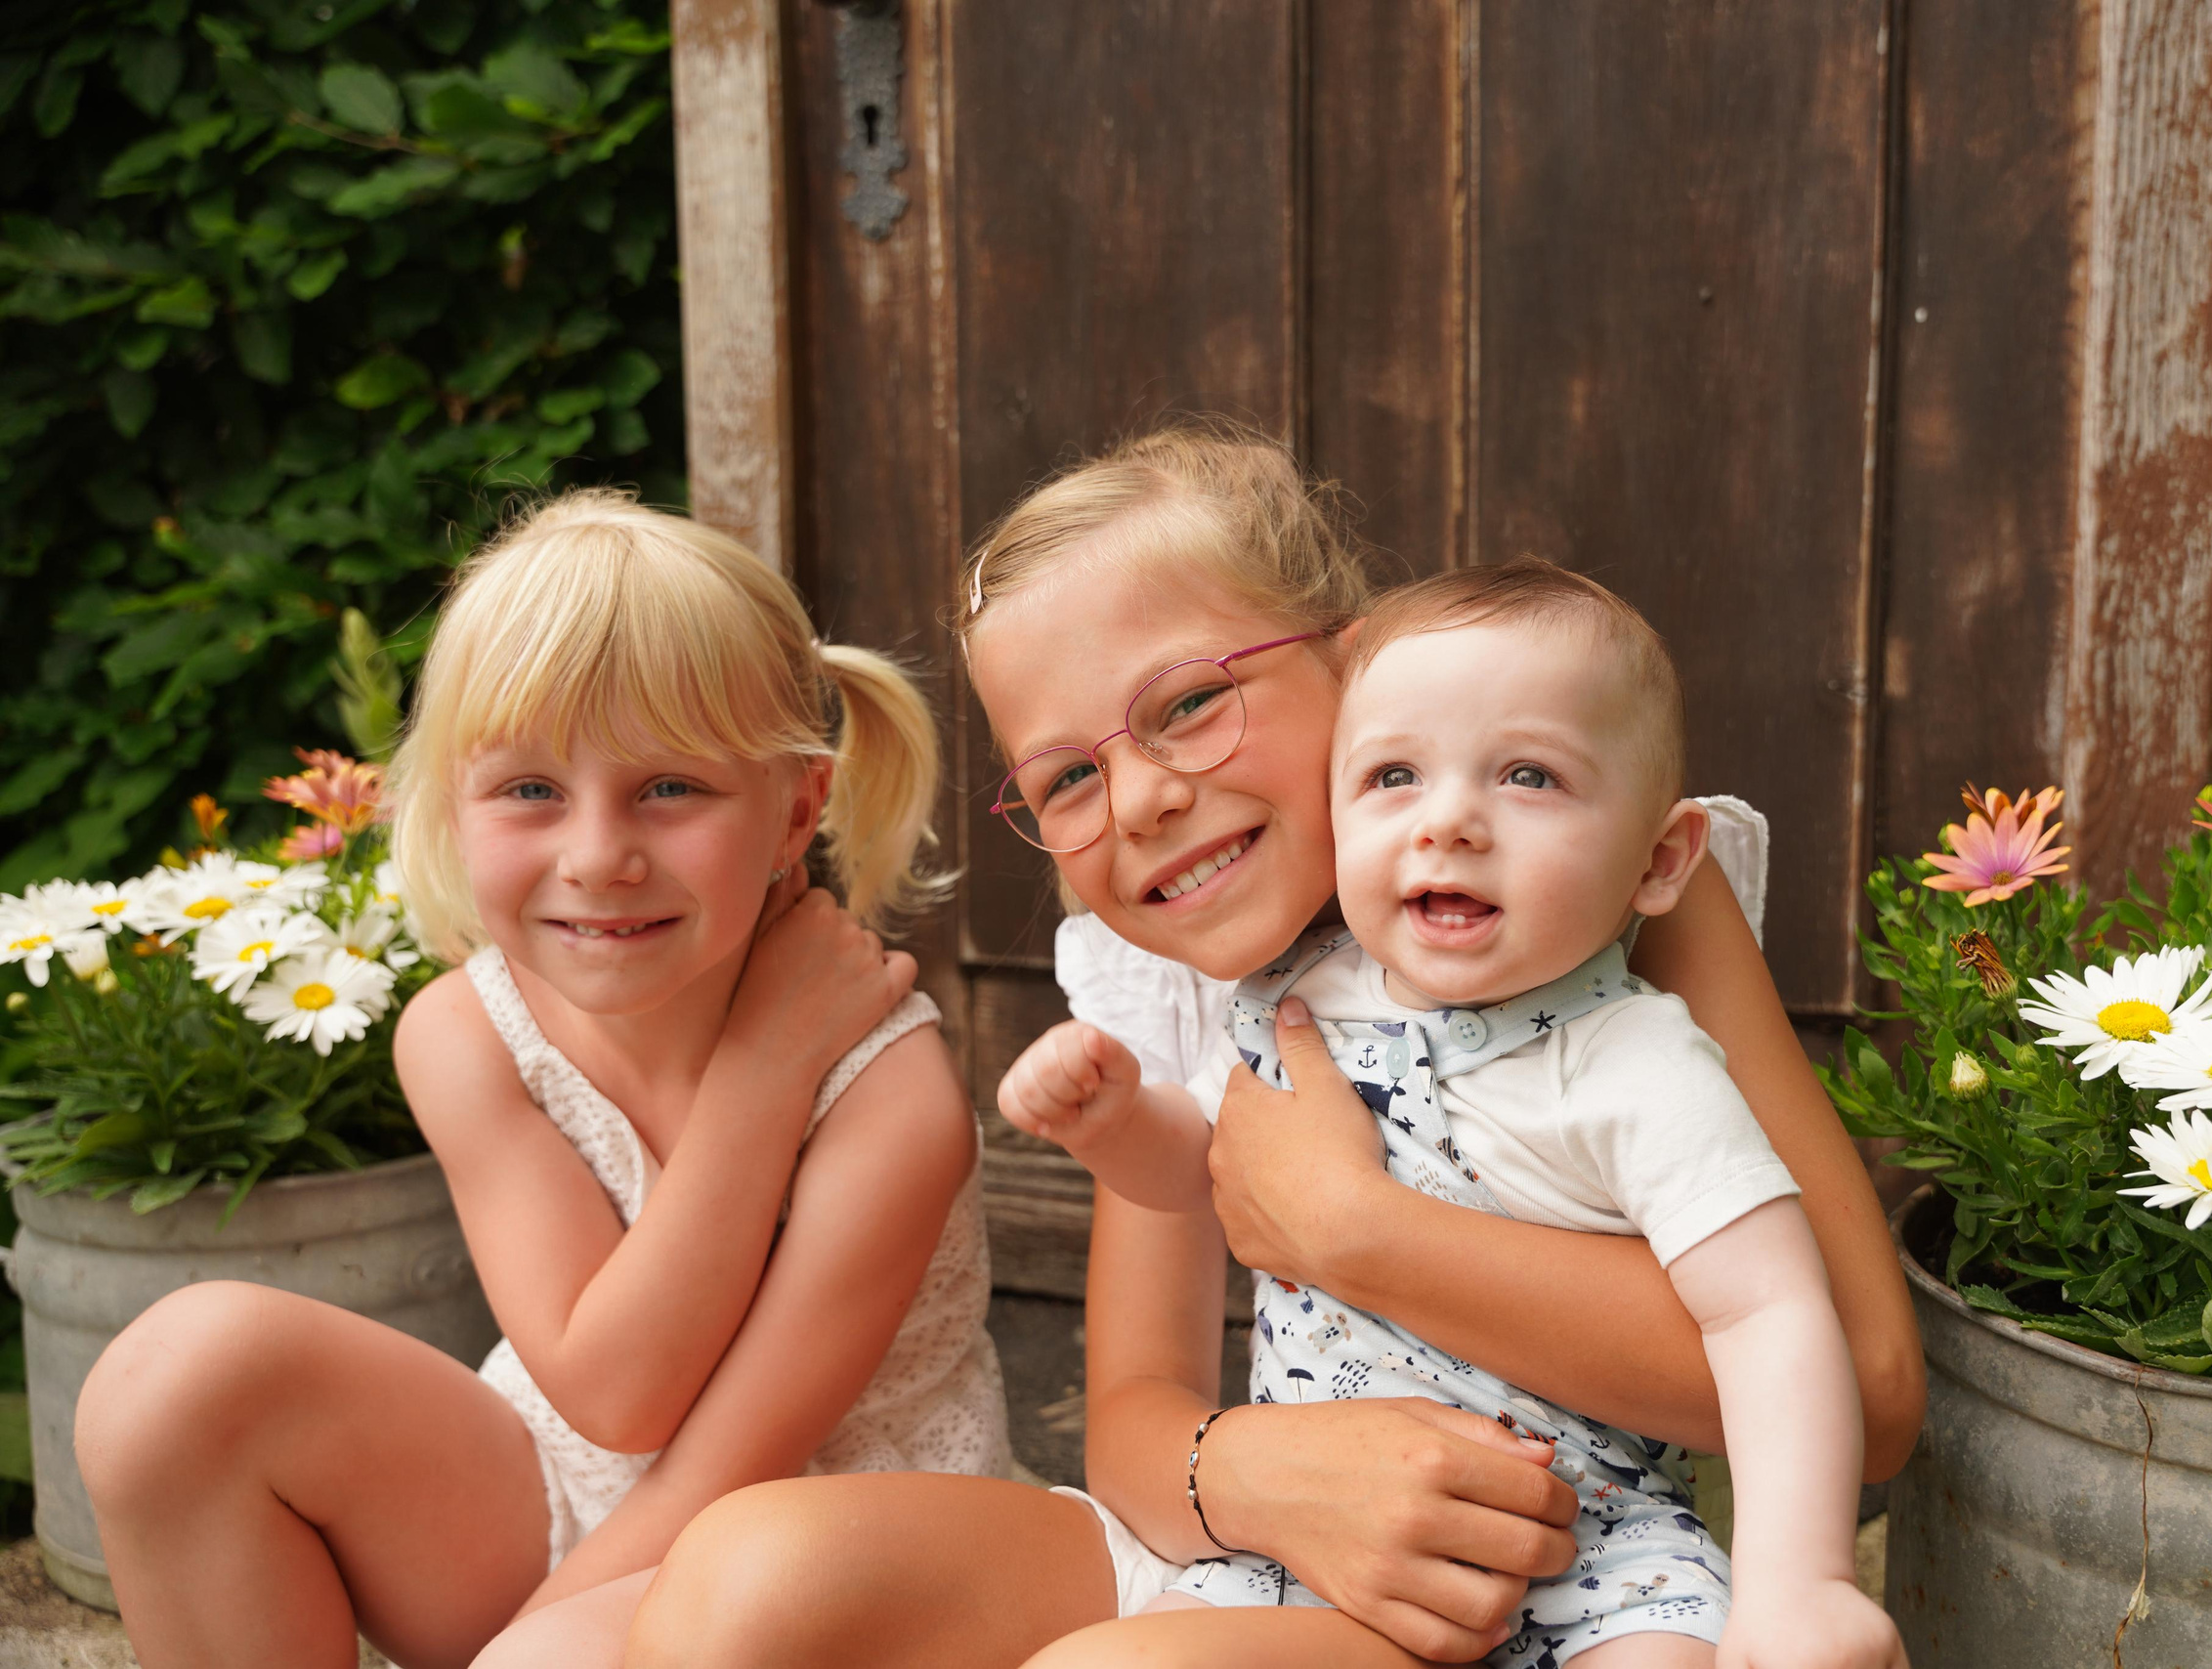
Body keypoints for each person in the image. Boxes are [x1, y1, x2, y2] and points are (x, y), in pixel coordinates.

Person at [623, 425, 1923, 1669]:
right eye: (1067, 779)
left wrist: (1349, 1227)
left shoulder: (1587, 878)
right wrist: (1264, 1480)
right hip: (1254, 1543)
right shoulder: (1171, 968)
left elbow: (1866, 1393)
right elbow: (1136, 1419)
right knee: (743, 1578)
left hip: (1562, 1566)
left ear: (1356, 670)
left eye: (1190, 703)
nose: (1140, 799)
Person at [72, 492, 1012, 1669]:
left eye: (670, 788)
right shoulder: (468, 1033)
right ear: (451, 805)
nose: (597, 856)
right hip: (576, 1505)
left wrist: (524, 1652)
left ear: (795, 809)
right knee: (175, 1377)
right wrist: (759, 1068)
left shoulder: (889, 1100)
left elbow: (722, 1469)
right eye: (529, 790)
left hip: (833, 1566)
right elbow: (610, 1392)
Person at [1000, 558, 1904, 1666]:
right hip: (1320, 1558)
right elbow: (1204, 1165)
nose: (1451, 823)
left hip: (1600, 1554)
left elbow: (1769, 1313)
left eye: (1526, 776)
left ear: (1659, 859)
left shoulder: (1641, 1060)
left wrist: (1799, 1582)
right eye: (1394, 778)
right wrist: (1111, 1123)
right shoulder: (1298, 1001)